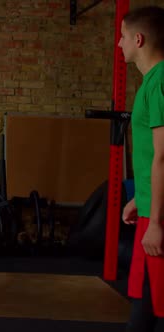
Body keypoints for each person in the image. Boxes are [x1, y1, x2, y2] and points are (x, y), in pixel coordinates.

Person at [119, 5, 164, 332]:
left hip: (160, 217)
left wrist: (158, 221)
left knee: (159, 306)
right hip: (149, 208)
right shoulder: (151, 82)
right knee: (145, 298)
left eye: (122, 37)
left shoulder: (160, 82)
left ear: (138, 39)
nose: (119, 44)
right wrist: (140, 198)